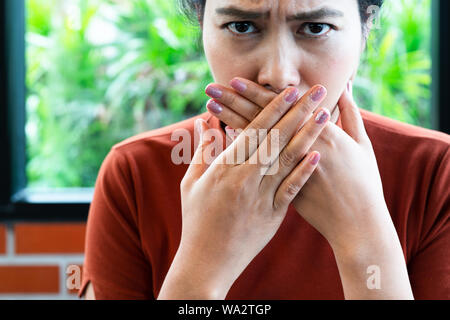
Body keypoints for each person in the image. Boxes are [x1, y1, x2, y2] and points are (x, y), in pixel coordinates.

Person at [79, 0, 450, 300]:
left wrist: (366, 237)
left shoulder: (436, 172)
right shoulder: (135, 173)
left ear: (364, 29)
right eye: (242, 26)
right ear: (202, 26)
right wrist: (202, 263)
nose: (278, 74)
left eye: (315, 28)